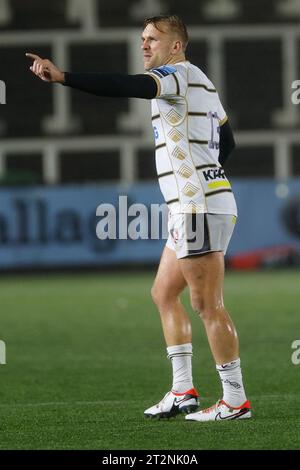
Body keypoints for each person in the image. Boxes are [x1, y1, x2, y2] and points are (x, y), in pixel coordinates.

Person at [26, 14, 251, 422]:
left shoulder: (176, 76)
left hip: (196, 207)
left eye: (152, 38)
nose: (144, 45)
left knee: (206, 304)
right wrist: (206, 173)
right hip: (196, 204)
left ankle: (235, 401)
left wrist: (64, 77)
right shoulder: (202, 81)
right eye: (142, 38)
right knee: (164, 293)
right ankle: (183, 391)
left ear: (176, 45)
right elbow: (228, 141)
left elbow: (128, 85)